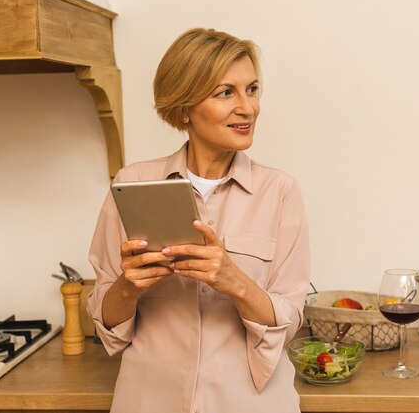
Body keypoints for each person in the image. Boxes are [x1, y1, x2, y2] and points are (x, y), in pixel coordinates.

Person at [87, 28, 310, 413]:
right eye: (226, 93)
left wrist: (235, 281)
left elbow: (289, 323)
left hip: (250, 404)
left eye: (252, 89)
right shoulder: (132, 184)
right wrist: (128, 287)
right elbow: (105, 324)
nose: (248, 108)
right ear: (185, 107)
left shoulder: (280, 192)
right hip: (148, 402)